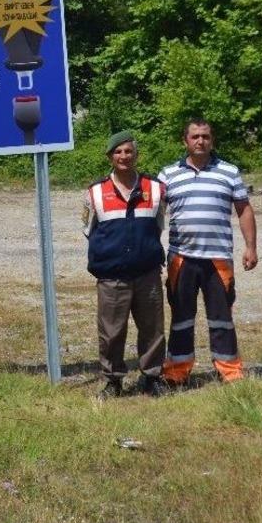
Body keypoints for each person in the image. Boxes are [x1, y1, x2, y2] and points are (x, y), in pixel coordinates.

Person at [156, 118, 257, 386]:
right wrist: (152, 250)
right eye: (195, 137)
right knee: (181, 318)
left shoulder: (229, 172)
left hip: (218, 258)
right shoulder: (167, 175)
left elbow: (244, 209)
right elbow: (155, 215)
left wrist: (251, 247)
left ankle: (230, 370)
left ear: (212, 140)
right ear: (185, 141)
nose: (200, 141)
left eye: (206, 136)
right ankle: (176, 372)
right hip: (181, 257)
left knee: (222, 318)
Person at [83, 130, 168, 398]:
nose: (124, 156)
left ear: (136, 154)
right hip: (112, 277)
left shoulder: (155, 188)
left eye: (128, 151)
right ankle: (113, 381)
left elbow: (160, 224)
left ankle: (152, 377)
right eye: (118, 152)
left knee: (153, 329)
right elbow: (88, 229)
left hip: (147, 274)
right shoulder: (95, 192)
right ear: (110, 157)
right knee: (111, 332)